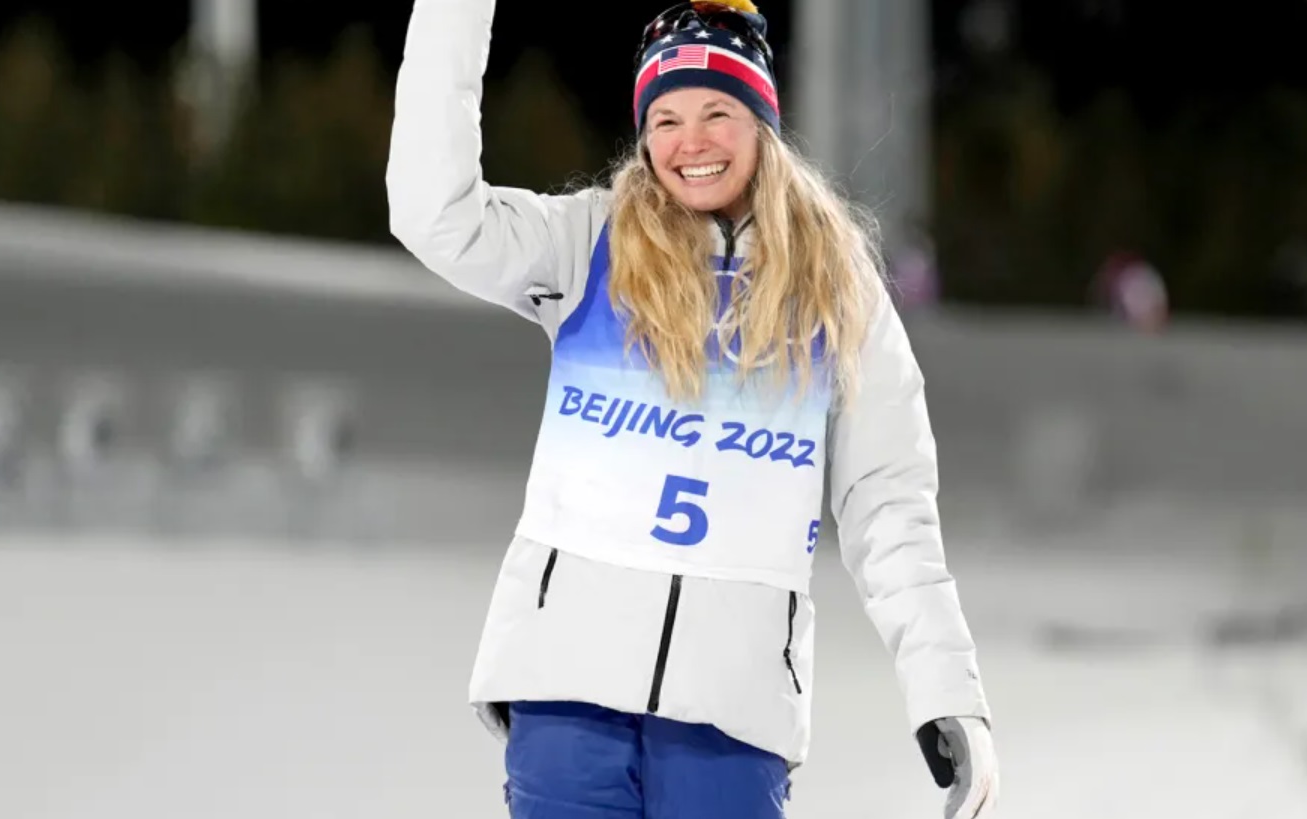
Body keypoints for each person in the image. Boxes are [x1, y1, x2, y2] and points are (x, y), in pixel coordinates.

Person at [387, 1, 999, 817]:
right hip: (564, 696)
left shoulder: (834, 289)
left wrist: (944, 689)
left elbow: (888, 503)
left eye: (717, 112)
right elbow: (436, 215)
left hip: (731, 716)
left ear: (761, 122)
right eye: (666, 118)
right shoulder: (587, 244)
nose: (692, 142)